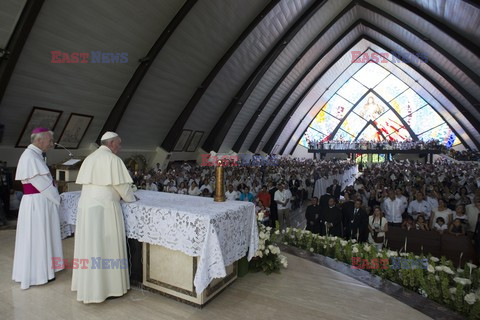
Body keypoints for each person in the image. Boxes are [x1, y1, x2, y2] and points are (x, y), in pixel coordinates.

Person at [72, 131, 136, 303]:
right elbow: (123, 187)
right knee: (106, 247)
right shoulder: (113, 160)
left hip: (87, 206)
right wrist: (132, 198)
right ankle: (108, 288)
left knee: (90, 246)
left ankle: (87, 286)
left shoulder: (90, 158)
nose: (120, 148)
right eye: (119, 144)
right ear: (112, 143)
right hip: (105, 208)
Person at [12, 127, 64, 289]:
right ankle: (39, 274)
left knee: (42, 235)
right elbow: (44, 185)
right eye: (49, 141)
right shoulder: (30, 157)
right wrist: (57, 199)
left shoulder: (34, 155)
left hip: (39, 202)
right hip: (37, 203)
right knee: (38, 237)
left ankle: (47, 269)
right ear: (39, 140)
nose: (51, 144)